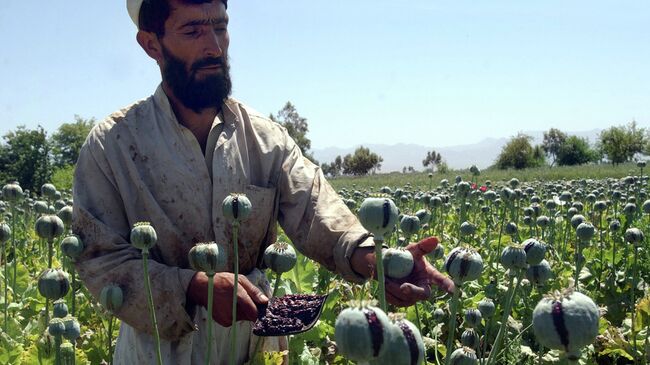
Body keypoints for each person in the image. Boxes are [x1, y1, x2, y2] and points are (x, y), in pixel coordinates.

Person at [72, 0, 455, 363]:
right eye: (192, 30)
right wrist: (194, 287)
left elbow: (316, 211)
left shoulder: (265, 138)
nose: (213, 47)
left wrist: (377, 261)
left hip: (259, 347)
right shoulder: (114, 144)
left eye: (220, 27)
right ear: (151, 44)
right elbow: (100, 261)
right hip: (159, 350)